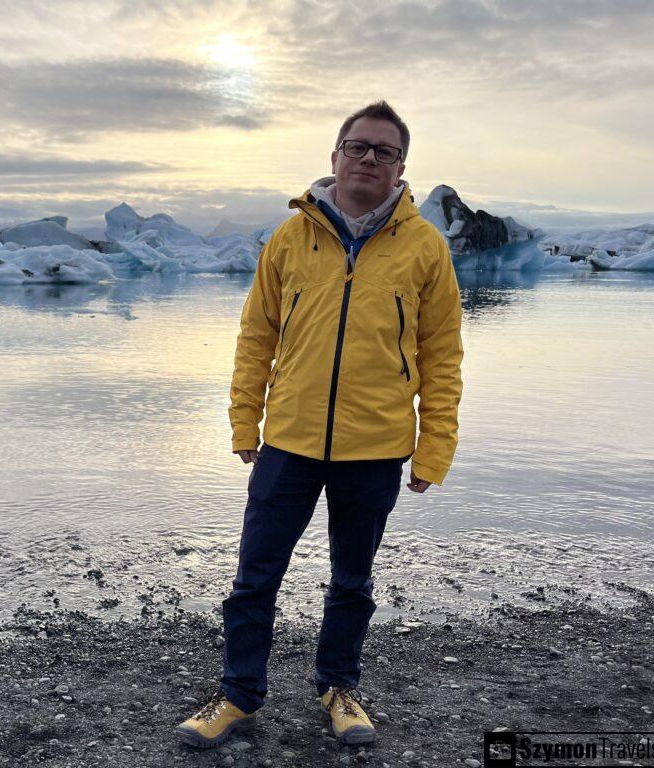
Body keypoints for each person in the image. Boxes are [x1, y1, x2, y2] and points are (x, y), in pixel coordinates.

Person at [175, 101, 464, 749]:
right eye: (357, 146)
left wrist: (433, 450)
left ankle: (339, 689)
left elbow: (442, 357)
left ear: (400, 168)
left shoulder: (425, 247)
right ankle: (237, 695)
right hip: (289, 441)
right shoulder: (290, 237)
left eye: (384, 151)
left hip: (376, 447)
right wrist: (244, 422)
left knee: (352, 582)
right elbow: (257, 337)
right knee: (254, 578)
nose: (369, 159)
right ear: (335, 156)